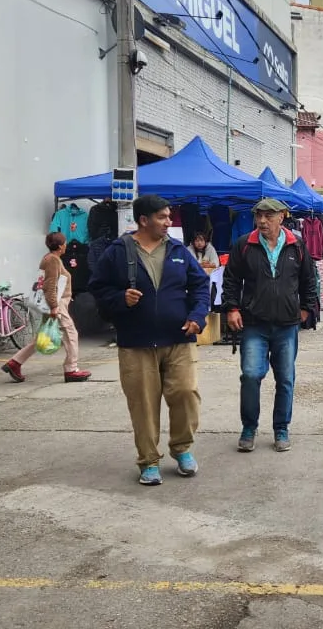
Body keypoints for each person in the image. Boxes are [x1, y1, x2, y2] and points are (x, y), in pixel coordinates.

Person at [89, 195, 211, 486]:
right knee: (143, 404)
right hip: (136, 342)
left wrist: (198, 315)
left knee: (186, 393)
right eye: (162, 217)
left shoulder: (178, 250)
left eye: (169, 216)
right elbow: (98, 288)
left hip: (179, 338)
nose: (169, 222)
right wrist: (120, 298)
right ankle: (148, 461)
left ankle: (182, 448)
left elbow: (200, 285)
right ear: (143, 220)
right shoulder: (118, 251)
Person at [221, 198, 319, 453]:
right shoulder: (245, 244)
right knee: (251, 375)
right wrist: (231, 308)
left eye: (268, 216)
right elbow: (231, 279)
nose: (262, 221)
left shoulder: (296, 244)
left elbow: (309, 279)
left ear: (281, 217)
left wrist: (306, 308)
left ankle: (281, 428)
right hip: (254, 323)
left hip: (287, 325)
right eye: (258, 216)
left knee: (285, 378)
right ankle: (249, 428)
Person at [2, 232, 90, 383]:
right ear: (60, 246)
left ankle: (15, 363)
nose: (66, 245)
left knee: (43, 336)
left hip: (55, 303)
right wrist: (54, 306)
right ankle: (71, 369)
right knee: (71, 334)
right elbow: (50, 284)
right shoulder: (53, 260)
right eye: (64, 243)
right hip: (56, 304)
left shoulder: (50, 258)